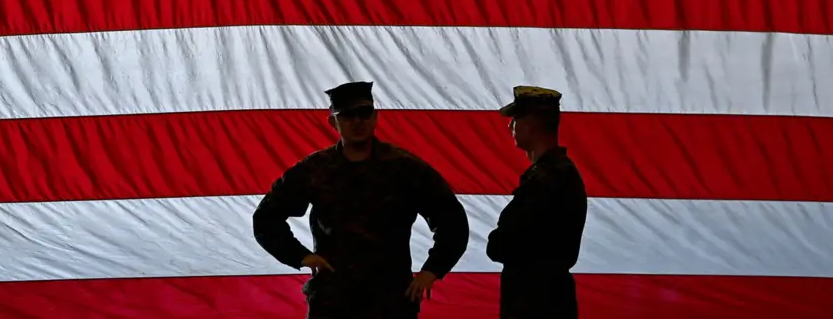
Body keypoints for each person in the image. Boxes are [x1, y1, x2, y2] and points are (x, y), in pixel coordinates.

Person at [252, 80, 470, 318]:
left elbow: (452, 221)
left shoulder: (405, 168)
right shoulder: (315, 169)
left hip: (392, 300)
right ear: (333, 122)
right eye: (347, 115)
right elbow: (266, 218)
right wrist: (299, 256)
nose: (357, 121)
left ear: (375, 117)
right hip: (334, 300)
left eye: (364, 113)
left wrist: (432, 270)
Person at [486, 86, 588, 319]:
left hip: (536, 304)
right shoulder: (557, 174)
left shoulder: (547, 179)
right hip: (547, 300)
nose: (510, 126)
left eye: (515, 119)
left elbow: (502, 245)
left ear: (531, 123)